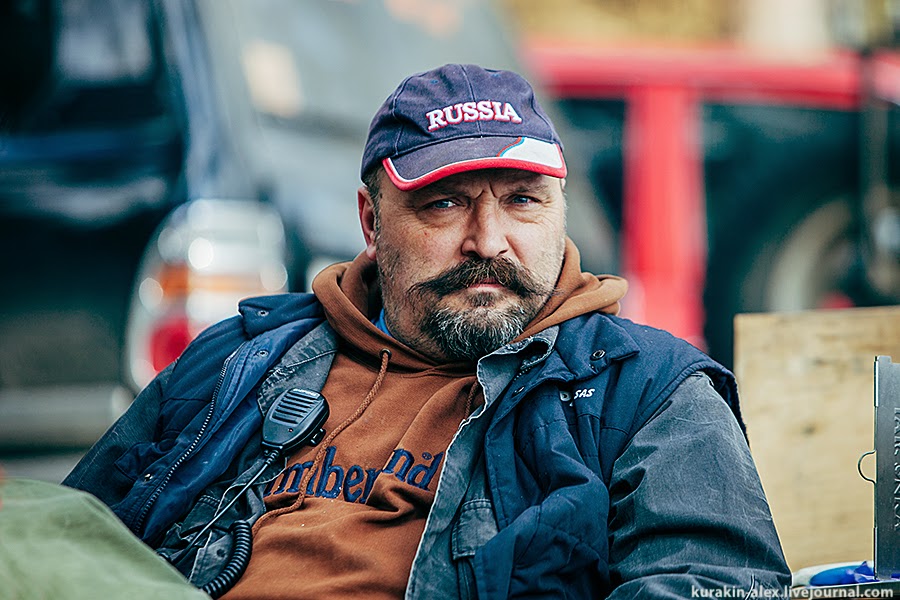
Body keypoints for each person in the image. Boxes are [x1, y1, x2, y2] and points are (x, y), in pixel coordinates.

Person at [64, 63, 791, 599]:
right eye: (444, 204)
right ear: (371, 221)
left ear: (559, 210)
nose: (488, 241)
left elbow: (716, 583)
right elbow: (63, 541)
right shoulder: (237, 359)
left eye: (523, 201)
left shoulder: (648, 392)